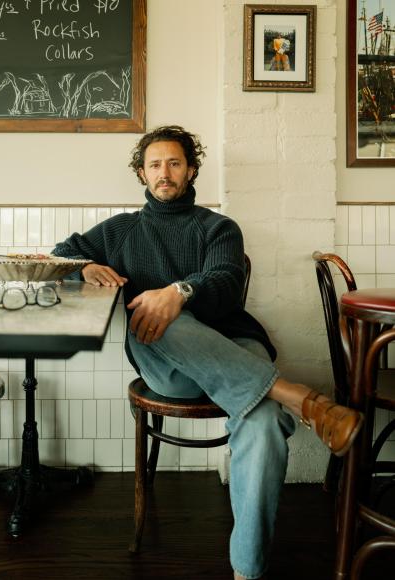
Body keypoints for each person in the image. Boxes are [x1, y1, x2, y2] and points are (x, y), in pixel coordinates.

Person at [52, 125, 363, 580]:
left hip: (234, 343)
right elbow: (60, 255)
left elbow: (225, 282)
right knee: (157, 314)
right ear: (142, 174)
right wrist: (86, 267)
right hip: (166, 360)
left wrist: (179, 292)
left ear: (191, 170)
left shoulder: (219, 227)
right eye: (155, 165)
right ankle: (299, 398)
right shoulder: (120, 230)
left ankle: (247, 571)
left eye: (174, 163)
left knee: (261, 420)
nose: (164, 172)